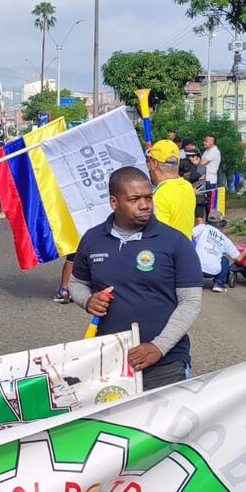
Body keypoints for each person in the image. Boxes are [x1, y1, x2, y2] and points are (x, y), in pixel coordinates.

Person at [69, 166, 202, 388]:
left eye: (148, 197)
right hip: (110, 360)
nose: (145, 205)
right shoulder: (93, 239)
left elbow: (191, 302)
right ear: (114, 202)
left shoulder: (175, 242)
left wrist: (158, 347)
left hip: (166, 364)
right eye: (134, 199)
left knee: (165, 424)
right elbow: (76, 283)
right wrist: (88, 300)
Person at [146, 139, 194, 239]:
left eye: (149, 161)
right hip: (187, 248)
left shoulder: (160, 195)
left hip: (170, 253)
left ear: (154, 163)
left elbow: (159, 236)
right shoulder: (187, 186)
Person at [194, 211, 241, 293]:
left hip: (196, 269)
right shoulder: (224, 238)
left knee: (192, 249)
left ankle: (191, 281)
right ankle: (219, 284)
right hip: (213, 271)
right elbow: (237, 257)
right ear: (221, 224)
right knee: (224, 260)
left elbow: (188, 235)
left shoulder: (202, 227)